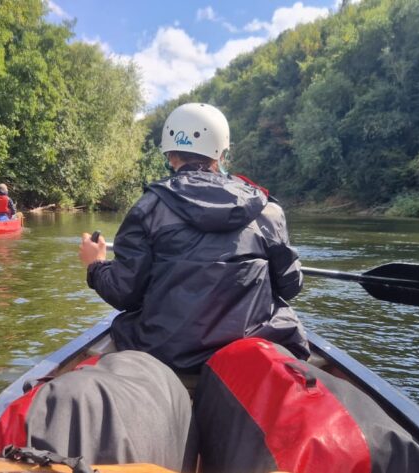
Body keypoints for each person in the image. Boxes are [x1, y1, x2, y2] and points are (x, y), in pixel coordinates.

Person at [78, 102, 308, 373]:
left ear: (170, 155)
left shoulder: (147, 208)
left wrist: (96, 266)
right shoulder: (267, 210)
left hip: (167, 355)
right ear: (222, 154)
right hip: (249, 352)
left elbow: (125, 294)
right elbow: (291, 287)